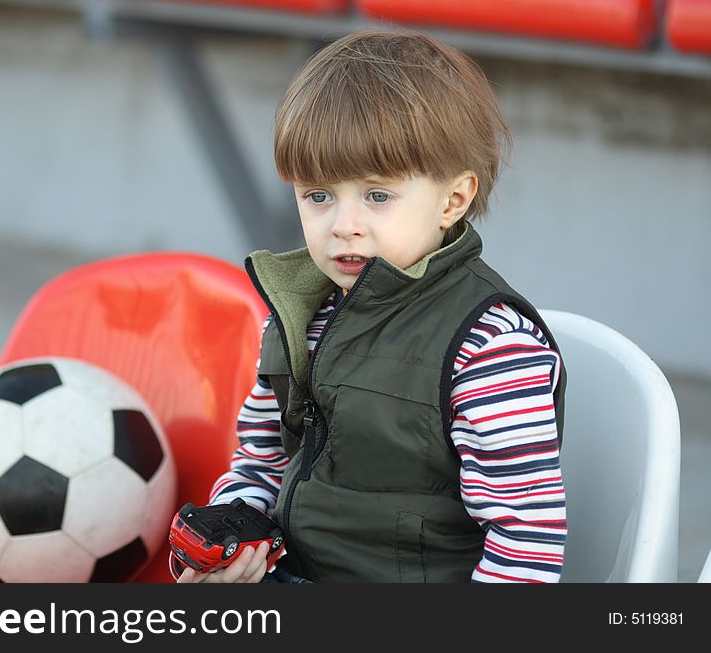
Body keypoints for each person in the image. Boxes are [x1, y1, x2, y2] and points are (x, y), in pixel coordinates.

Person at [176, 29, 567, 584]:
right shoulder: (299, 317)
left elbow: (527, 538)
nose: (344, 224)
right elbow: (261, 465)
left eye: (378, 195)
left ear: (452, 200)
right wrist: (232, 545)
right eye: (318, 195)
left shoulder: (487, 348)